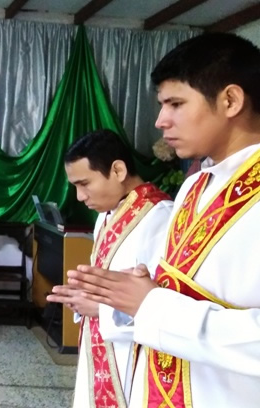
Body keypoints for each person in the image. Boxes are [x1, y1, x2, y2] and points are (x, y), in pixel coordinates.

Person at [68, 33, 260, 407]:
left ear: (231, 100)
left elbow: (160, 307)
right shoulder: (194, 187)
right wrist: (128, 295)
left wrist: (153, 305)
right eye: (162, 105)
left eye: (176, 103)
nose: (160, 121)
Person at [46, 130, 173, 408]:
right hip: (100, 343)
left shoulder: (161, 218)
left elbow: (165, 303)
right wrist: (82, 296)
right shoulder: (106, 215)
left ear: (118, 170)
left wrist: (101, 309)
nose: (80, 196)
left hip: (133, 356)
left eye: (84, 184)